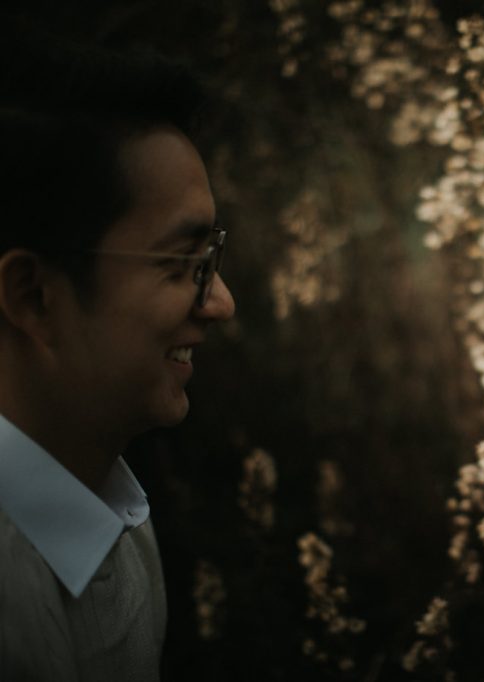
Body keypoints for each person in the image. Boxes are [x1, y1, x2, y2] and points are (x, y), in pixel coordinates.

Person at [0, 38, 235, 680]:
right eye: (183, 264)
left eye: (210, 259)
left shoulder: (117, 518)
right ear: (34, 296)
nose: (220, 302)